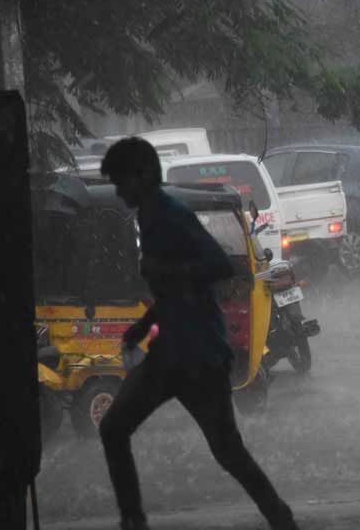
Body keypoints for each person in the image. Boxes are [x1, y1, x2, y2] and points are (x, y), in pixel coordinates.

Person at [97, 137, 299, 530]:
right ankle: (133, 520)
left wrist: (172, 276)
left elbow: (219, 265)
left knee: (227, 451)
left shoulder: (172, 216)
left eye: (122, 181)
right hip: (170, 353)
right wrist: (140, 328)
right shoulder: (150, 219)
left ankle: (281, 518)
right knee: (114, 428)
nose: (119, 190)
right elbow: (174, 295)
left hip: (199, 357)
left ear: (142, 176)